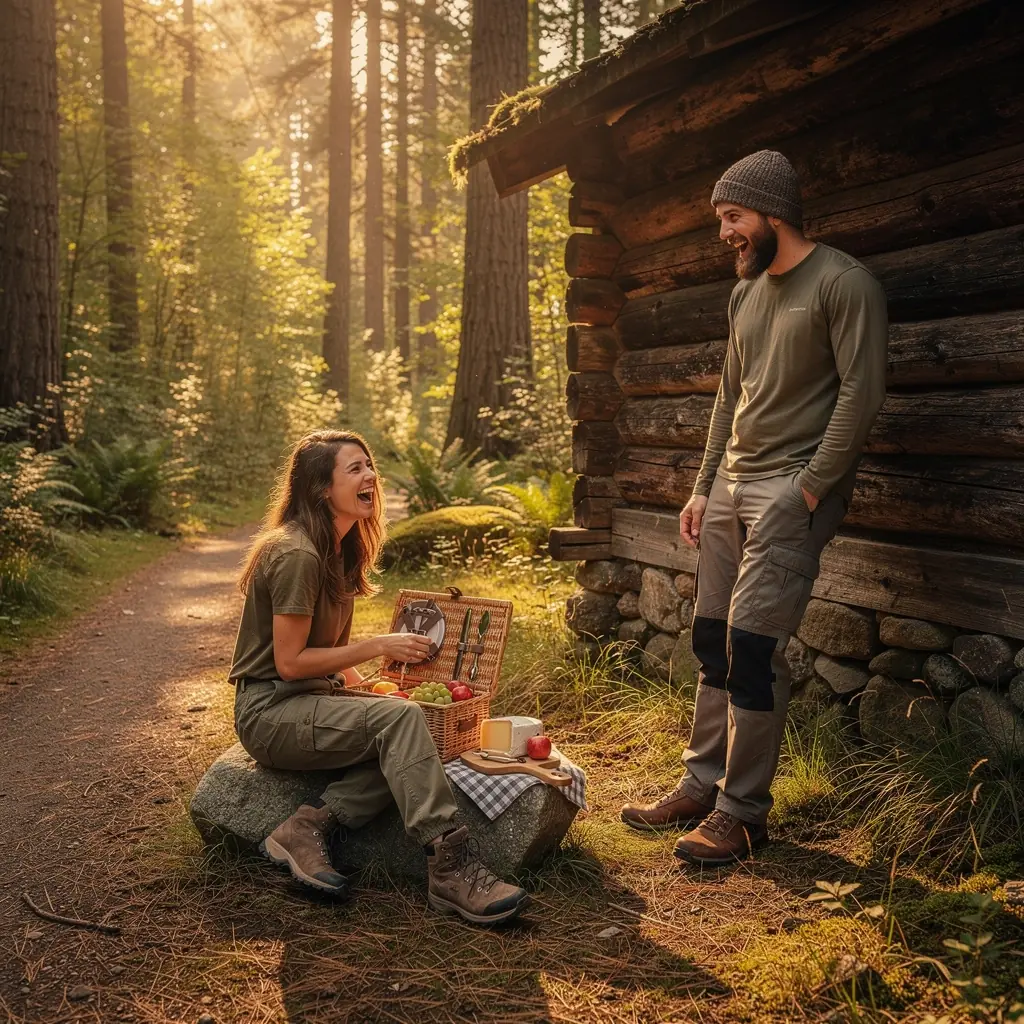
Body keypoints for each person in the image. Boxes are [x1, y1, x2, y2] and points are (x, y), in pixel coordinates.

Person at [620, 150, 888, 865]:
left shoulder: (843, 282)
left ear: (773, 214)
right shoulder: (743, 296)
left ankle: (741, 815)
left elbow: (861, 397)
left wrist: (807, 488)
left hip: (792, 490)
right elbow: (727, 400)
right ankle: (702, 783)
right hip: (732, 488)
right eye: (720, 219)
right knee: (713, 639)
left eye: (732, 217)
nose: (724, 233)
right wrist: (704, 487)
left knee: (754, 650)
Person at [229, 429, 529, 924]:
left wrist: (365, 683)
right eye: (355, 469)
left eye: (370, 466)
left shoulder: (339, 549)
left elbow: (324, 652)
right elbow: (289, 663)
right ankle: (450, 870)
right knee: (403, 723)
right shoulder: (297, 554)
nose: (371, 476)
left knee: (413, 739)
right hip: (271, 710)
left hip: (310, 700)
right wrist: (376, 648)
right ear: (323, 490)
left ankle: (306, 827)